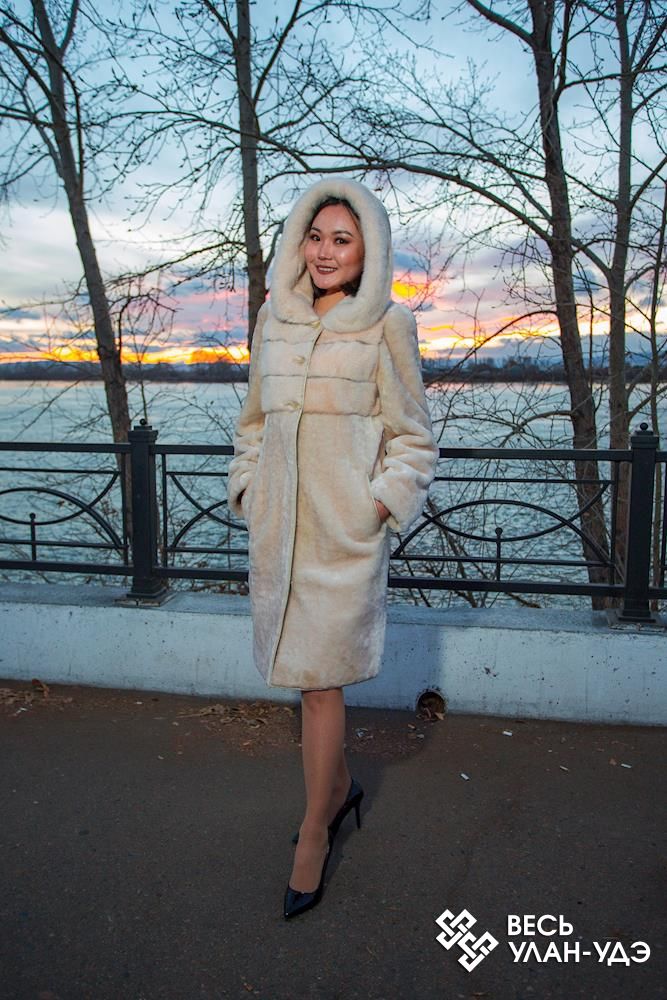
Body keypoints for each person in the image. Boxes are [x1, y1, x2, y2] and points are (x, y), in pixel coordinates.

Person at [227, 177, 438, 919]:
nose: (324, 251)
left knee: (321, 686)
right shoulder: (274, 320)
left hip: (342, 536)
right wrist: (249, 487)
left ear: (366, 250)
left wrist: (376, 503)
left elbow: (413, 437)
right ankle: (341, 790)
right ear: (297, 243)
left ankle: (313, 835)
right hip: (279, 533)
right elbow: (254, 422)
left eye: (341, 240)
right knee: (307, 682)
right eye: (315, 237)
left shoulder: (387, 325)